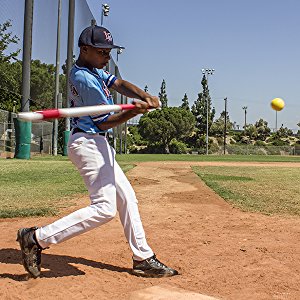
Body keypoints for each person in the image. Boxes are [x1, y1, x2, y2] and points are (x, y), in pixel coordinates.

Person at [17, 25, 178, 279]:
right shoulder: (83, 78)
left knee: (127, 197)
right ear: (85, 49)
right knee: (104, 208)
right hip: (88, 143)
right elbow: (103, 122)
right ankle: (36, 238)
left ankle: (143, 258)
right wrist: (131, 112)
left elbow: (120, 83)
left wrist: (145, 96)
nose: (107, 56)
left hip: (98, 143)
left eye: (108, 52)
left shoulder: (93, 70)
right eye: (102, 51)